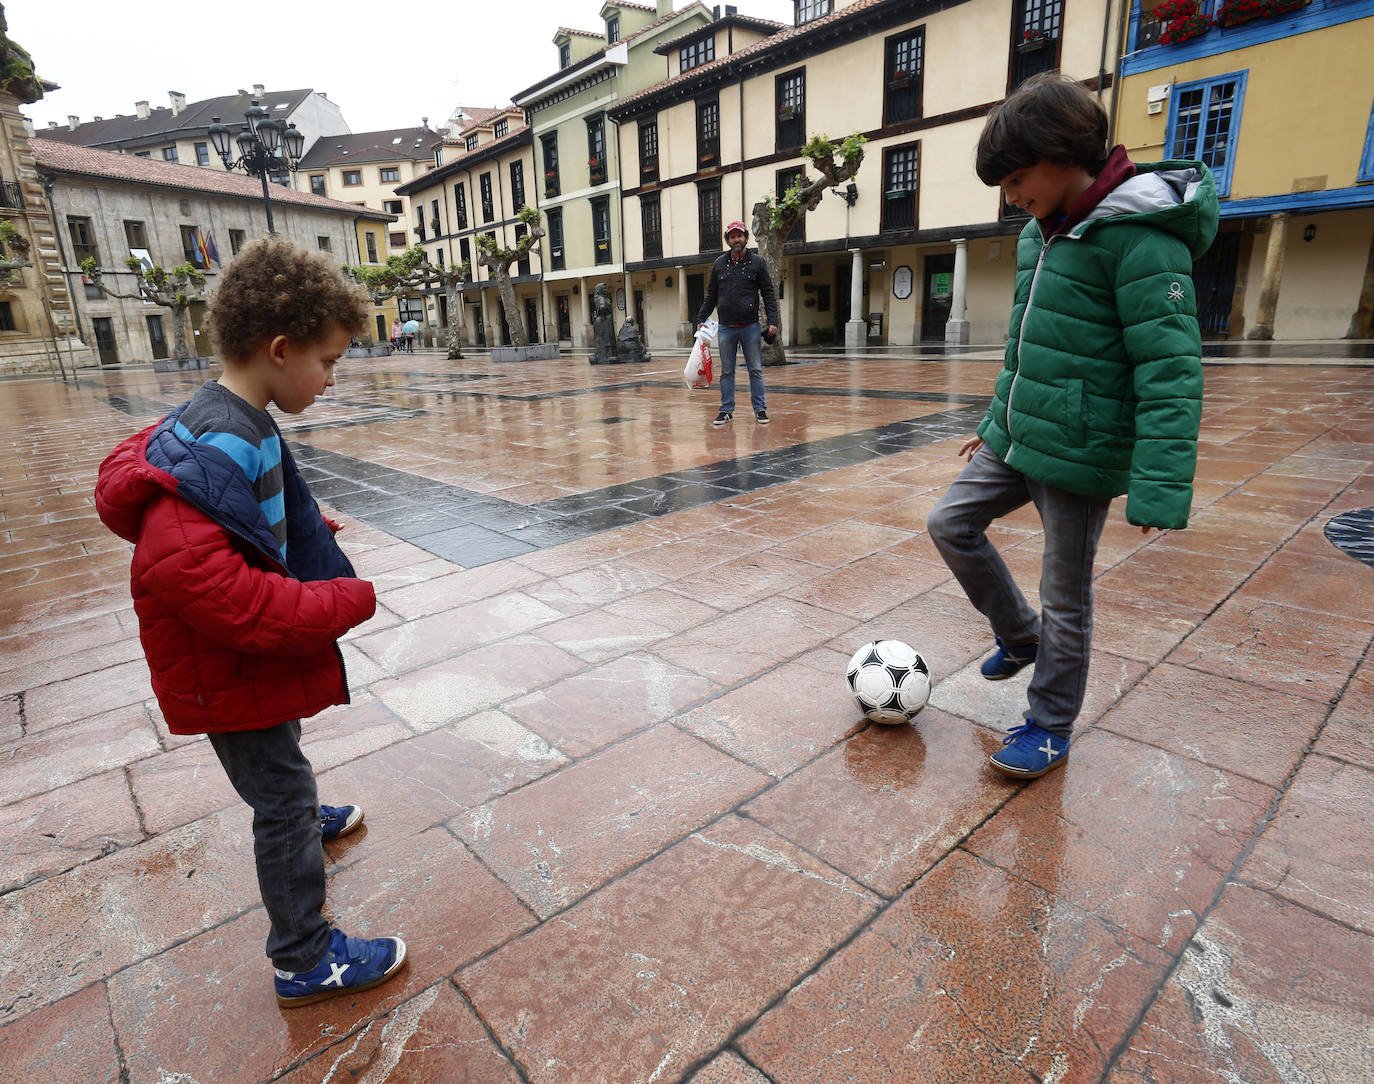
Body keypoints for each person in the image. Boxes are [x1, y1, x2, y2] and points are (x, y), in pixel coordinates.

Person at [94, 238, 408, 1006]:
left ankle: (302, 814)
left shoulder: (237, 416)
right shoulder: (225, 439)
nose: (333, 379)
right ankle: (304, 957)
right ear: (280, 348)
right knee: (278, 794)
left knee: (284, 767)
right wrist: (341, 601)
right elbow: (215, 588)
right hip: (220, 663)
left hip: (234, 664)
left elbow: (240, 520)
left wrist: (304, 529)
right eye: (328, 361)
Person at [925, 72, 1218, 780]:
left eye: (1018, 177)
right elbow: (1025, 346)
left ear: (1063, 157)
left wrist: (1158, 486)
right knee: (949, 524)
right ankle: (1018, 635)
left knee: (1067, 595)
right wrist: (995, 424)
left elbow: (1171, 371)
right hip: (1021, 434)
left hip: (1082, 453)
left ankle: (1049, 726)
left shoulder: (1141, 242)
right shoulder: (1039, 235)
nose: (1010, 196)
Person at [695, 220, 779, 426]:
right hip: (726, 328)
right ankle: (726, 410)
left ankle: (760, 409)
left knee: (756, 370)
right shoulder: (719, 264)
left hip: (750, 326)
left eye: (739, 235)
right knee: (726, 371)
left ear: (746, 237)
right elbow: (711, 295)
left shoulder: (757, 262)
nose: (736, 240)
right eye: (732, 237)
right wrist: (700, 319)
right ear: (728, 240)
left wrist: (773, 320)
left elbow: (768, 293)